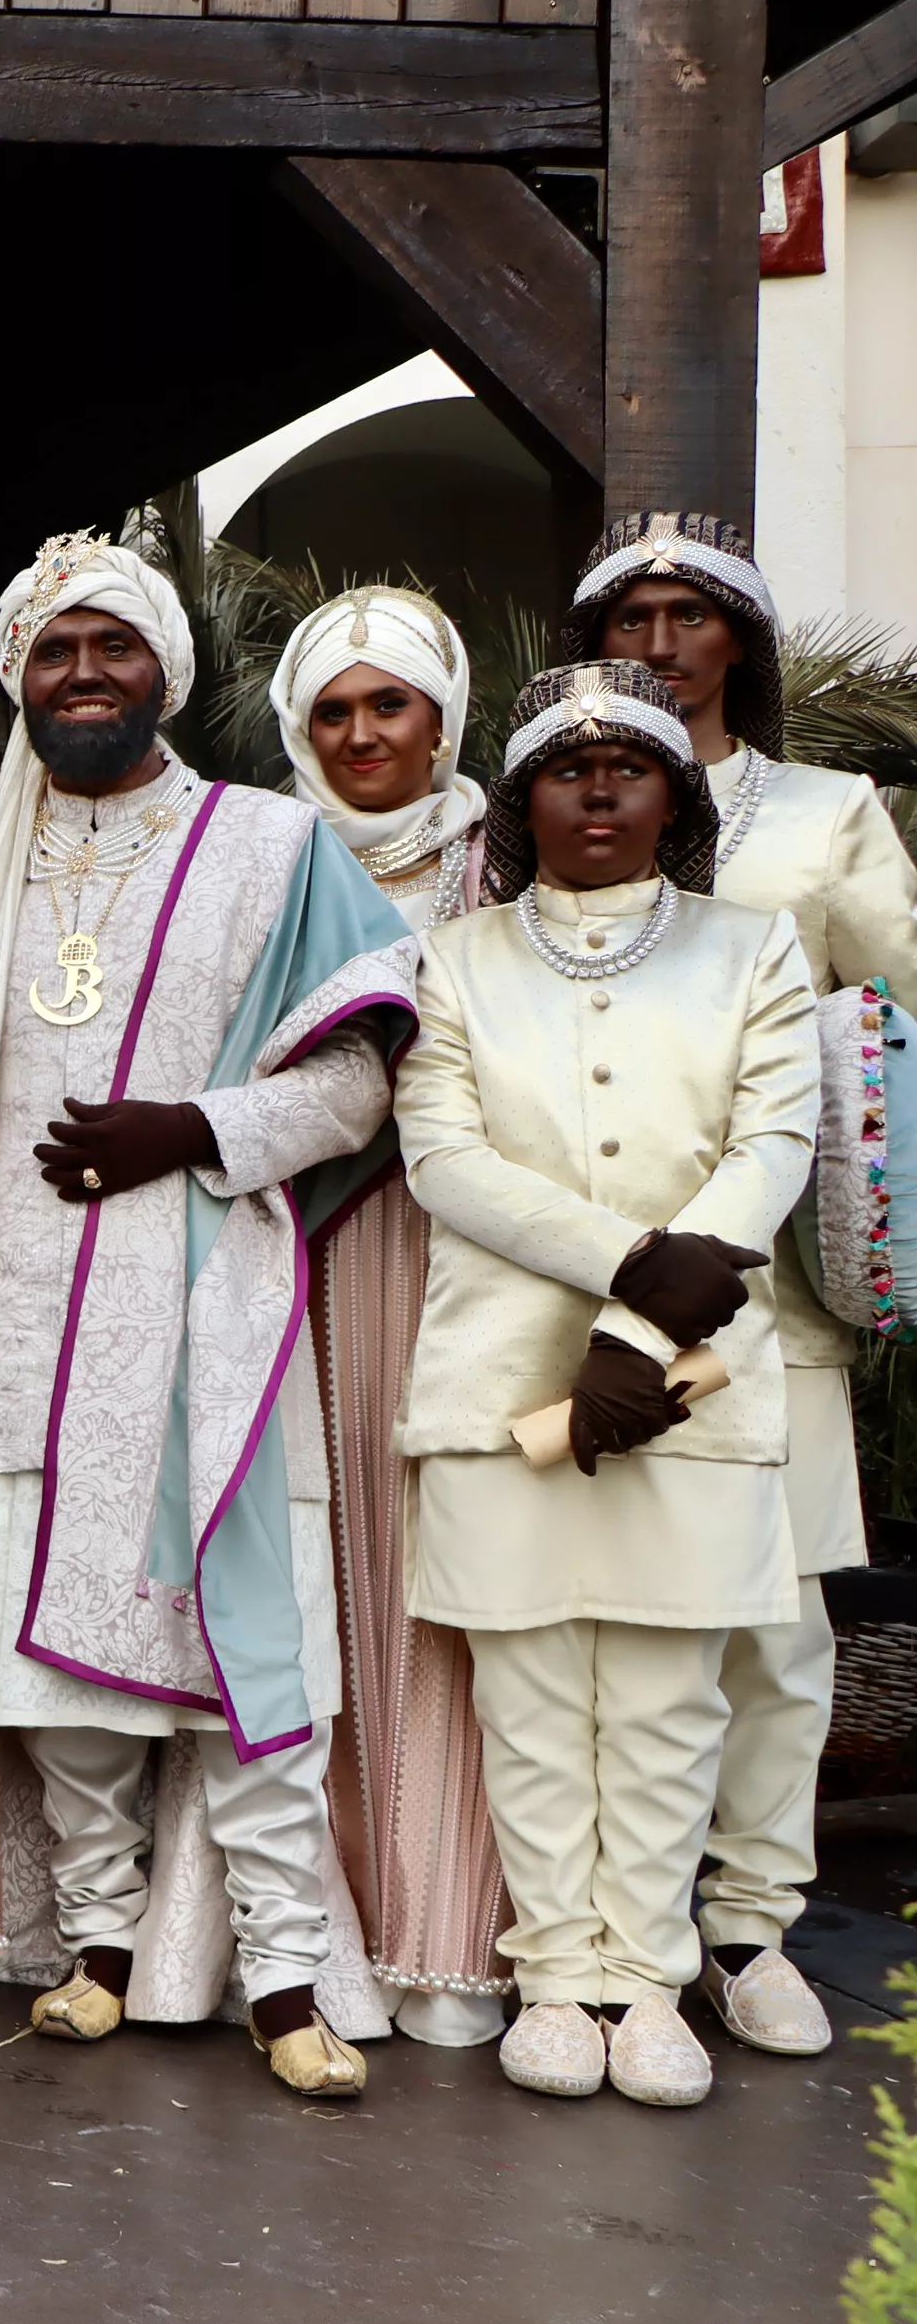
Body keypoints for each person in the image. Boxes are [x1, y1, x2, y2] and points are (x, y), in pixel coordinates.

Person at [0, 535, 411, 2100]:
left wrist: (191, 1132)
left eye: (112, 649)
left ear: (169, 675)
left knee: (238, 1641)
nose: (83, 677)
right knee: (57, 1685)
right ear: (15, 681)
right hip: (11, 1316)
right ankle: (98, 1941)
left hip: (203, 1306)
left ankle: (282, 1969)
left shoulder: (277, 846)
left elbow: (358, 1082)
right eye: (54, 653)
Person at [394, 662, 813, 2107]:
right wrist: (640, 1264)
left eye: (626, 769)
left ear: (674, 795)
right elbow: (444, 1161)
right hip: (498, 1377)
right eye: (564, 773)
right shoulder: (456, 961)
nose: (596, 792)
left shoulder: (755, 950)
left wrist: (650, 1332)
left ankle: (648, 1978)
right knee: (527, 1697)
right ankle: (555, 1974)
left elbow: (775, 1143)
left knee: (664, 1699)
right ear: (519, 804)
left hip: (694, 1379)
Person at [560, 511, 912, 2061]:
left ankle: (750, 1925)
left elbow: (894, 1017)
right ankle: (599, 1936)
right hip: (578, 1270)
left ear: (739, 645)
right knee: (598, 1619)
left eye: (688, 612)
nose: (657, 636)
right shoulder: (545, 807)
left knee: (773, 1625)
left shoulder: (827, 815)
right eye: (628, 611)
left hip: (769, 1293)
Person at [268, 589, 511, 2049]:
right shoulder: (274, 862)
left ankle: (458, 1924)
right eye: (333, 713)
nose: (362, 736)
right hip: (306, 1266)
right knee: (327, 1572)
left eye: (391, 706)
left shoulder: (508, 868)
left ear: (446, 719)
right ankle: (329, 1918)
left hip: (475, 1269)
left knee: (455, 1572)